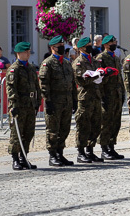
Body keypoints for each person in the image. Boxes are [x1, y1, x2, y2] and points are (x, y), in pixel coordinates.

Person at [39, 35, 77, 167]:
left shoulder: (66, 63)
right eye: (59, 47)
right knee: (53, 130)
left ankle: (60, 153)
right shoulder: (47, 63)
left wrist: (74, 99)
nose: (61, 48)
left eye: (62, 46)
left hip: (66, 101)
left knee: (64, 129)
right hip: (54, 101)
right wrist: (47, 101)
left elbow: (72, 83)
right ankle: (52, 155)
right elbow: (44, 84)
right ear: (52, 48)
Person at [6, 42, 41, 170]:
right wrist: (13, 105)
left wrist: (38, 102)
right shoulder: (14, 69)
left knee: (28, 132)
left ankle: (24, 157)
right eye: (25, 52)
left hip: (30, 104)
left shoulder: (31, 68)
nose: (28, 54)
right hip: (19, 105)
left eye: (29, 51)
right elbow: (11, 88)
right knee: (17, 133)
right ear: (18, 53)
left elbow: (37, 86)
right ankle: (15, 159)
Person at [73, 37, 104, 163]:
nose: (90, 47)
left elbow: (99, 74)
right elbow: (81, 80)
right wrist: (95, 76)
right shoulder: (78, 62)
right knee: (83, 125)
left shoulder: (95, 61)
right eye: (87, 46)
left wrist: (102, 73)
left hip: (96, 96)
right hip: (85, 97)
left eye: (90, 45)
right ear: (81, 48)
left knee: (96, 124)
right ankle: (81, 152)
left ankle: (90, 151)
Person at [97, 35, 127, 159]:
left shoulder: (115, 57)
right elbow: (98, 78)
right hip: (107, 95)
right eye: (112, 42)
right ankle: (104, 148)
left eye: (115, 41)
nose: (115, 43)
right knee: (106, 122)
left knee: (116, 122)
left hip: (117, 94)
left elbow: (119, 77)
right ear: (105, 45)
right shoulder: (101, 58)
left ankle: (111, 146)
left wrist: (123, 92)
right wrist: (101, 96)